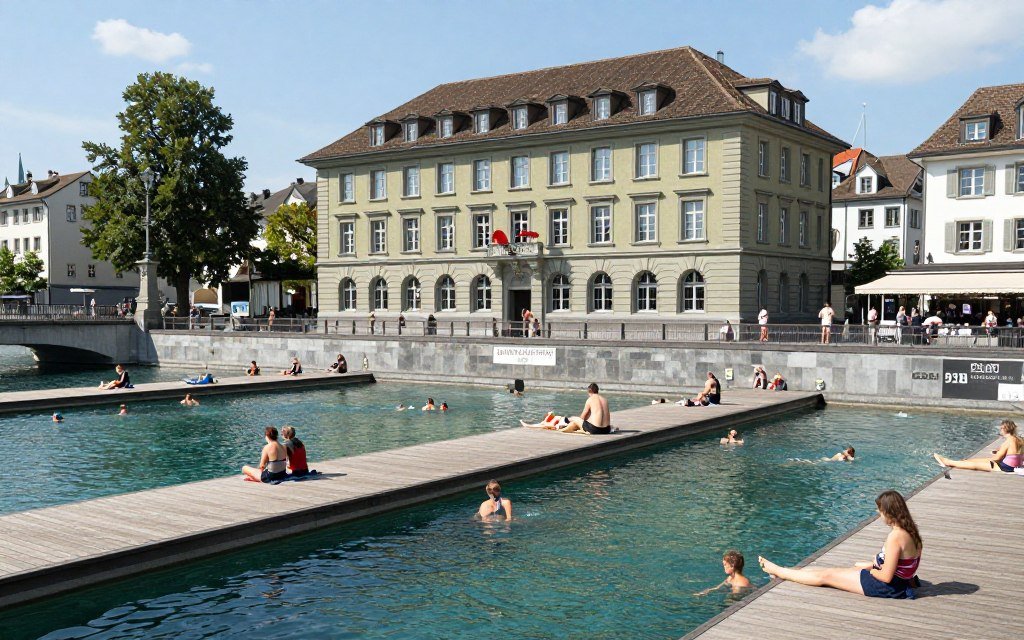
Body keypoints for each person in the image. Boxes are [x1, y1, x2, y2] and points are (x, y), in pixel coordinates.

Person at [758, 490, 922, 599]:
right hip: (897, 582)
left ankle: (779, 570)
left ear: (889, 512)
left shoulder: (896, 536)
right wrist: (874, 563)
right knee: (832, 571)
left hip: (887, 586)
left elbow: (886, 577)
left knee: (826, 576)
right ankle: (788, 571)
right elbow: (905, 566)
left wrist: (872, 570)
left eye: (880, 511)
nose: (878, 514)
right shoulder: (912, 532)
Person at [933, 419, 1022, 473]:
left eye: (1001, 428)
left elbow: (996, 459)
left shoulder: (1009, 441)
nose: (1000, 430)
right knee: (971, 461)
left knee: (975, 464)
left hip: (1005, 467)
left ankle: (948, 462)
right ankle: (961, 462)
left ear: (1005, 429)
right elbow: (1014, 454)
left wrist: (979, 460)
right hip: (1015, 466)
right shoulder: (1019, 439)